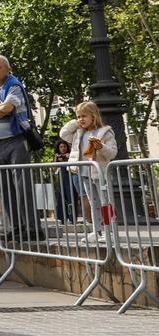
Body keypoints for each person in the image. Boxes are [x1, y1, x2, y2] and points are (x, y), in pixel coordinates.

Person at [0, 55, 42, 240]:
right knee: (4, 188)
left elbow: (8, 108)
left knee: (23, 187)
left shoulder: (14, 85)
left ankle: (32, 229)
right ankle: (16, 227)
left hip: (17, 140)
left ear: (7, 69)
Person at [59, 101, 118, 243]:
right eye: (78, 116)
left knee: (106, 202)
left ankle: (109, 230)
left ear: (94, 116)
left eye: (84, 116)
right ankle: (96, 231)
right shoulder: (78, 133)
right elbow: (63, 133)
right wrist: (75, 122)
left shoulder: (105, 132)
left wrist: (101, 147)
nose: (81, 119)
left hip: (100, 172)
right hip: (84, 172)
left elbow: (112, 153)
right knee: (93, 202)